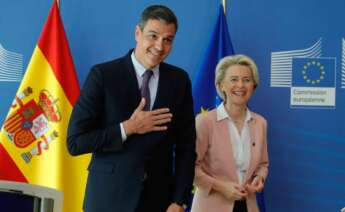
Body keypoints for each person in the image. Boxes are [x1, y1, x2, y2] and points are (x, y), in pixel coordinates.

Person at [67, 5, 196, 212]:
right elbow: (76, 142)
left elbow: (186, 147)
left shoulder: (179, 80)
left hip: (159, 201)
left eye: (168, 40)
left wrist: (179, 200)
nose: (159, 46)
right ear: (138, 33)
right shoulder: (103, 75)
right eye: (153, 36)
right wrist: (127, 128)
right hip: (108, 199)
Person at [190, 55, 269, 212]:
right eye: (233, 79)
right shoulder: (204, 121)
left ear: (254, 86)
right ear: (221, 85)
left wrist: (259, 178)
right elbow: (189, 167)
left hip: (248, 205)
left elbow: (263, 164)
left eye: (246, 80)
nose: (240, 85)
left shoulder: (260, 123)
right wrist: (220, 187)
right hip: (210, 206)